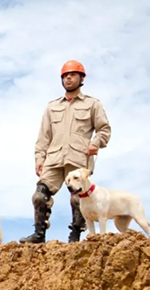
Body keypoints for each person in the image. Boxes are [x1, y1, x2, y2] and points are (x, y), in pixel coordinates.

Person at [20, 60, 111, 244]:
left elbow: (104, 129)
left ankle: (75, 235)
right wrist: (39, 158)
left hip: (79, 158)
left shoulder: (92, 104)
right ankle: (39, 235)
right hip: (53, 159)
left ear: (81, 78)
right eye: (65, 76)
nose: (68, 78)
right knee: (39, 196)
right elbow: (43, 136)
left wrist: (96, 143)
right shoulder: (52, 107)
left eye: (73, 75)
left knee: (77, 199)